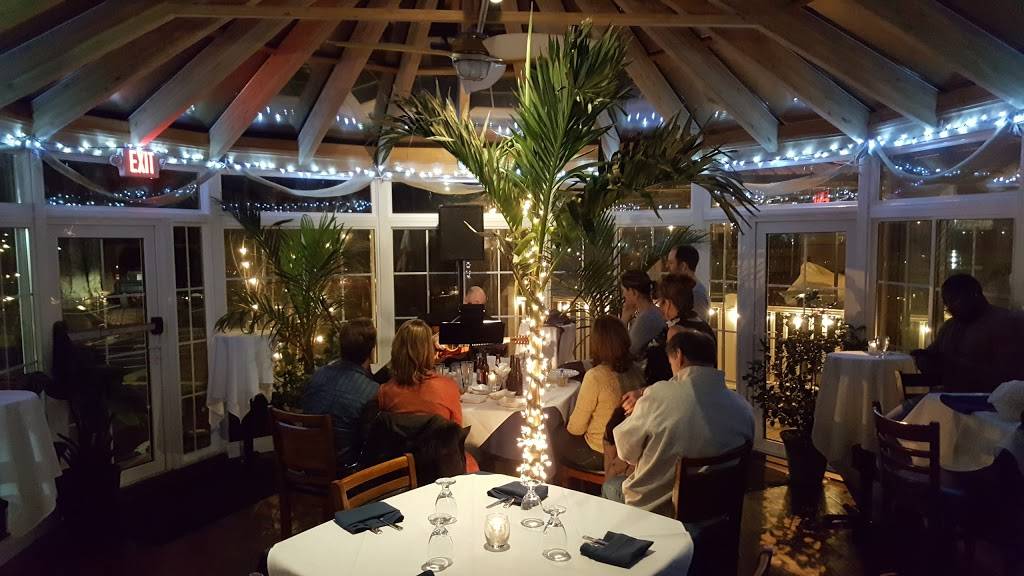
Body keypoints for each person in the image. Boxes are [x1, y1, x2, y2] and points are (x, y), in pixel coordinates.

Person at [603, 329, 754, 516]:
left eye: (671, 363)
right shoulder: (743, 408)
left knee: (611, 487)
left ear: (679, 356)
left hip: (660, 512)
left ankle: (621, 535)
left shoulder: (659, 396)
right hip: (719, 511)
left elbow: (626, 451)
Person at [378, 319, 479, 472]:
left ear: (396, 350)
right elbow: (456, 433)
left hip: (403, 472)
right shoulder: (448, 387)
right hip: (443, 470)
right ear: (429, 351)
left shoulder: (385, 392)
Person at [553, 316, 644, 471]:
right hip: (633, 449)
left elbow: (575, 429)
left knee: (554, 435)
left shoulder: (596, 377)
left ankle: (555, 482)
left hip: (603, 452)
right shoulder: (636, 370)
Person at [911, 273, 1024, 393]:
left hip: (991, 400)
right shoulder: (949, 326)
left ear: (974, 295)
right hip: (951, 397)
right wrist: (924, 359)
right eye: (947, 303)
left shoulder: (1007, 323)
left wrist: (951, 366)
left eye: (955, 301)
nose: (950, 308)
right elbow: (934, 356)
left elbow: (1010, 375)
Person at [300, 318, 379, 468]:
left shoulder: (318, 376)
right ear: (371, 350)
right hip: (346, 474)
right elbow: (370, 446)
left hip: (308, 466)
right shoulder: (372, 392)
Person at [642, 274, 716, 387]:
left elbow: (673, 375)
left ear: (668, 303)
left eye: (660, 303)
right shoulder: (704, 326)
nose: (660, 308)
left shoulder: (675, 331)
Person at [619, 270, 665, 359]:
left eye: (624, 291)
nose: (623, 295)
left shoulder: (646, 319)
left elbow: (625, 351)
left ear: (634, 292)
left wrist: (624, 318)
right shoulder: (653, 312)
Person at [664, 244, 710, 320]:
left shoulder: (696, 293)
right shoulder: (683, 290)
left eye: (671, 263)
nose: (667, 266)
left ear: (683, 266)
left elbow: (696, 325)